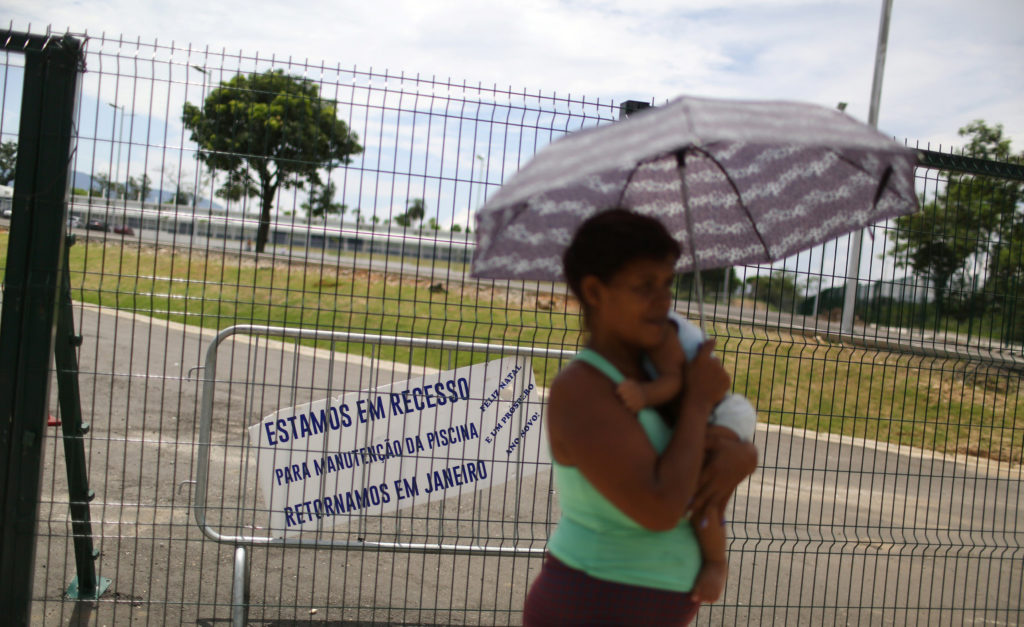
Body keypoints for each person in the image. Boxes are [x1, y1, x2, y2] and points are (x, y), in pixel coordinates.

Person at [522, 208, 758, 626]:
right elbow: (662, 508)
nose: (663, 300)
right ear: (594, 292)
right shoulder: (582, 389)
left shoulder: (659, 369)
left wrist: (740, 457)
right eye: (644, 286)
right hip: (594, 603)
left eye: (668, 283)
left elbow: (692, 456)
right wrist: (699, 401)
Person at [616, 311, 758, 604]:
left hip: (723, 413)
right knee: (701, 497)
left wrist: (643, 394)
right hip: (709, 411)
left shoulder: (659, 328)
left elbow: (673, 381)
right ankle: (714, 558)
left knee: (704, 497)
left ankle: (717, 563)